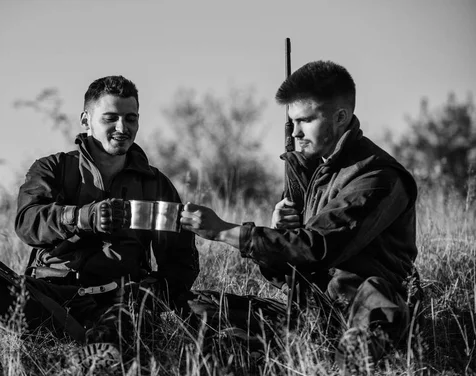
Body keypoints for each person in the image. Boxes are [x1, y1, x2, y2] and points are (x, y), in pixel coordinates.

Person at [0, 75, 199, 371]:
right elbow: (27, 222)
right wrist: (80, 217)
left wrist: (148, 295)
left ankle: (77, 362)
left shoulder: (156, 184)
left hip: (119, 303)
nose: (122, 128)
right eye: (110, 118)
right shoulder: (53, 168)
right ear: (86, 119)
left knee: (119, 333)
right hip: (45, 298)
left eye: (131, 118)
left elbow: (180, 262)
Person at [180, 61, 421, 373]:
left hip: (362, 308)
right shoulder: (315, 174)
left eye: (306, 120)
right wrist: (281, 233)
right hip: (311, 312)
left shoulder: (377, 177)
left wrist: (225, 231)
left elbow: (316, 248)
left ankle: (349, 354)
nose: (295, 132)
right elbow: (293, 271)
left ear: (341, 117)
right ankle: (266, 351)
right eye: (292, 121)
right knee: (198, 305)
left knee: (377, 296)